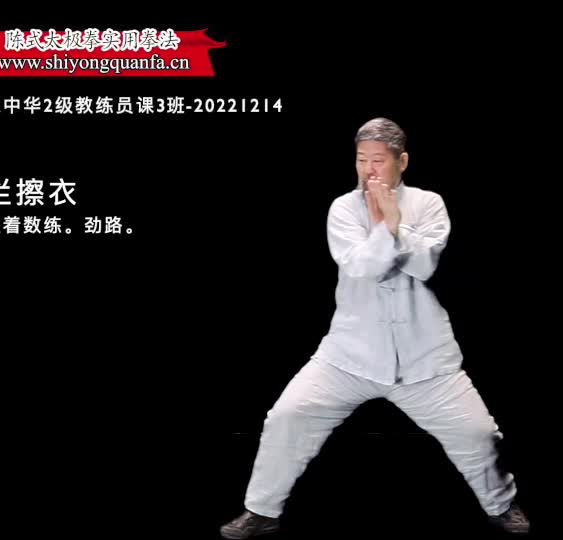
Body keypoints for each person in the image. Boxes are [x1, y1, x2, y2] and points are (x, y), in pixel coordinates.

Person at [221, 118, 530, 538]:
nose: (369, 169)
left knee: (478, 434)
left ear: (402, 161)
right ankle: (260, 511)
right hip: (348, 356)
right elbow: (363, 267)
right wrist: (388, 226)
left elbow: (425, 265)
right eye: (361, 159)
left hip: (426, 358)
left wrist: (395, 222)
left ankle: (502, 505)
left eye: (379, 160)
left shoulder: (429, 203)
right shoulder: (343, 208)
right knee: (287, 417)